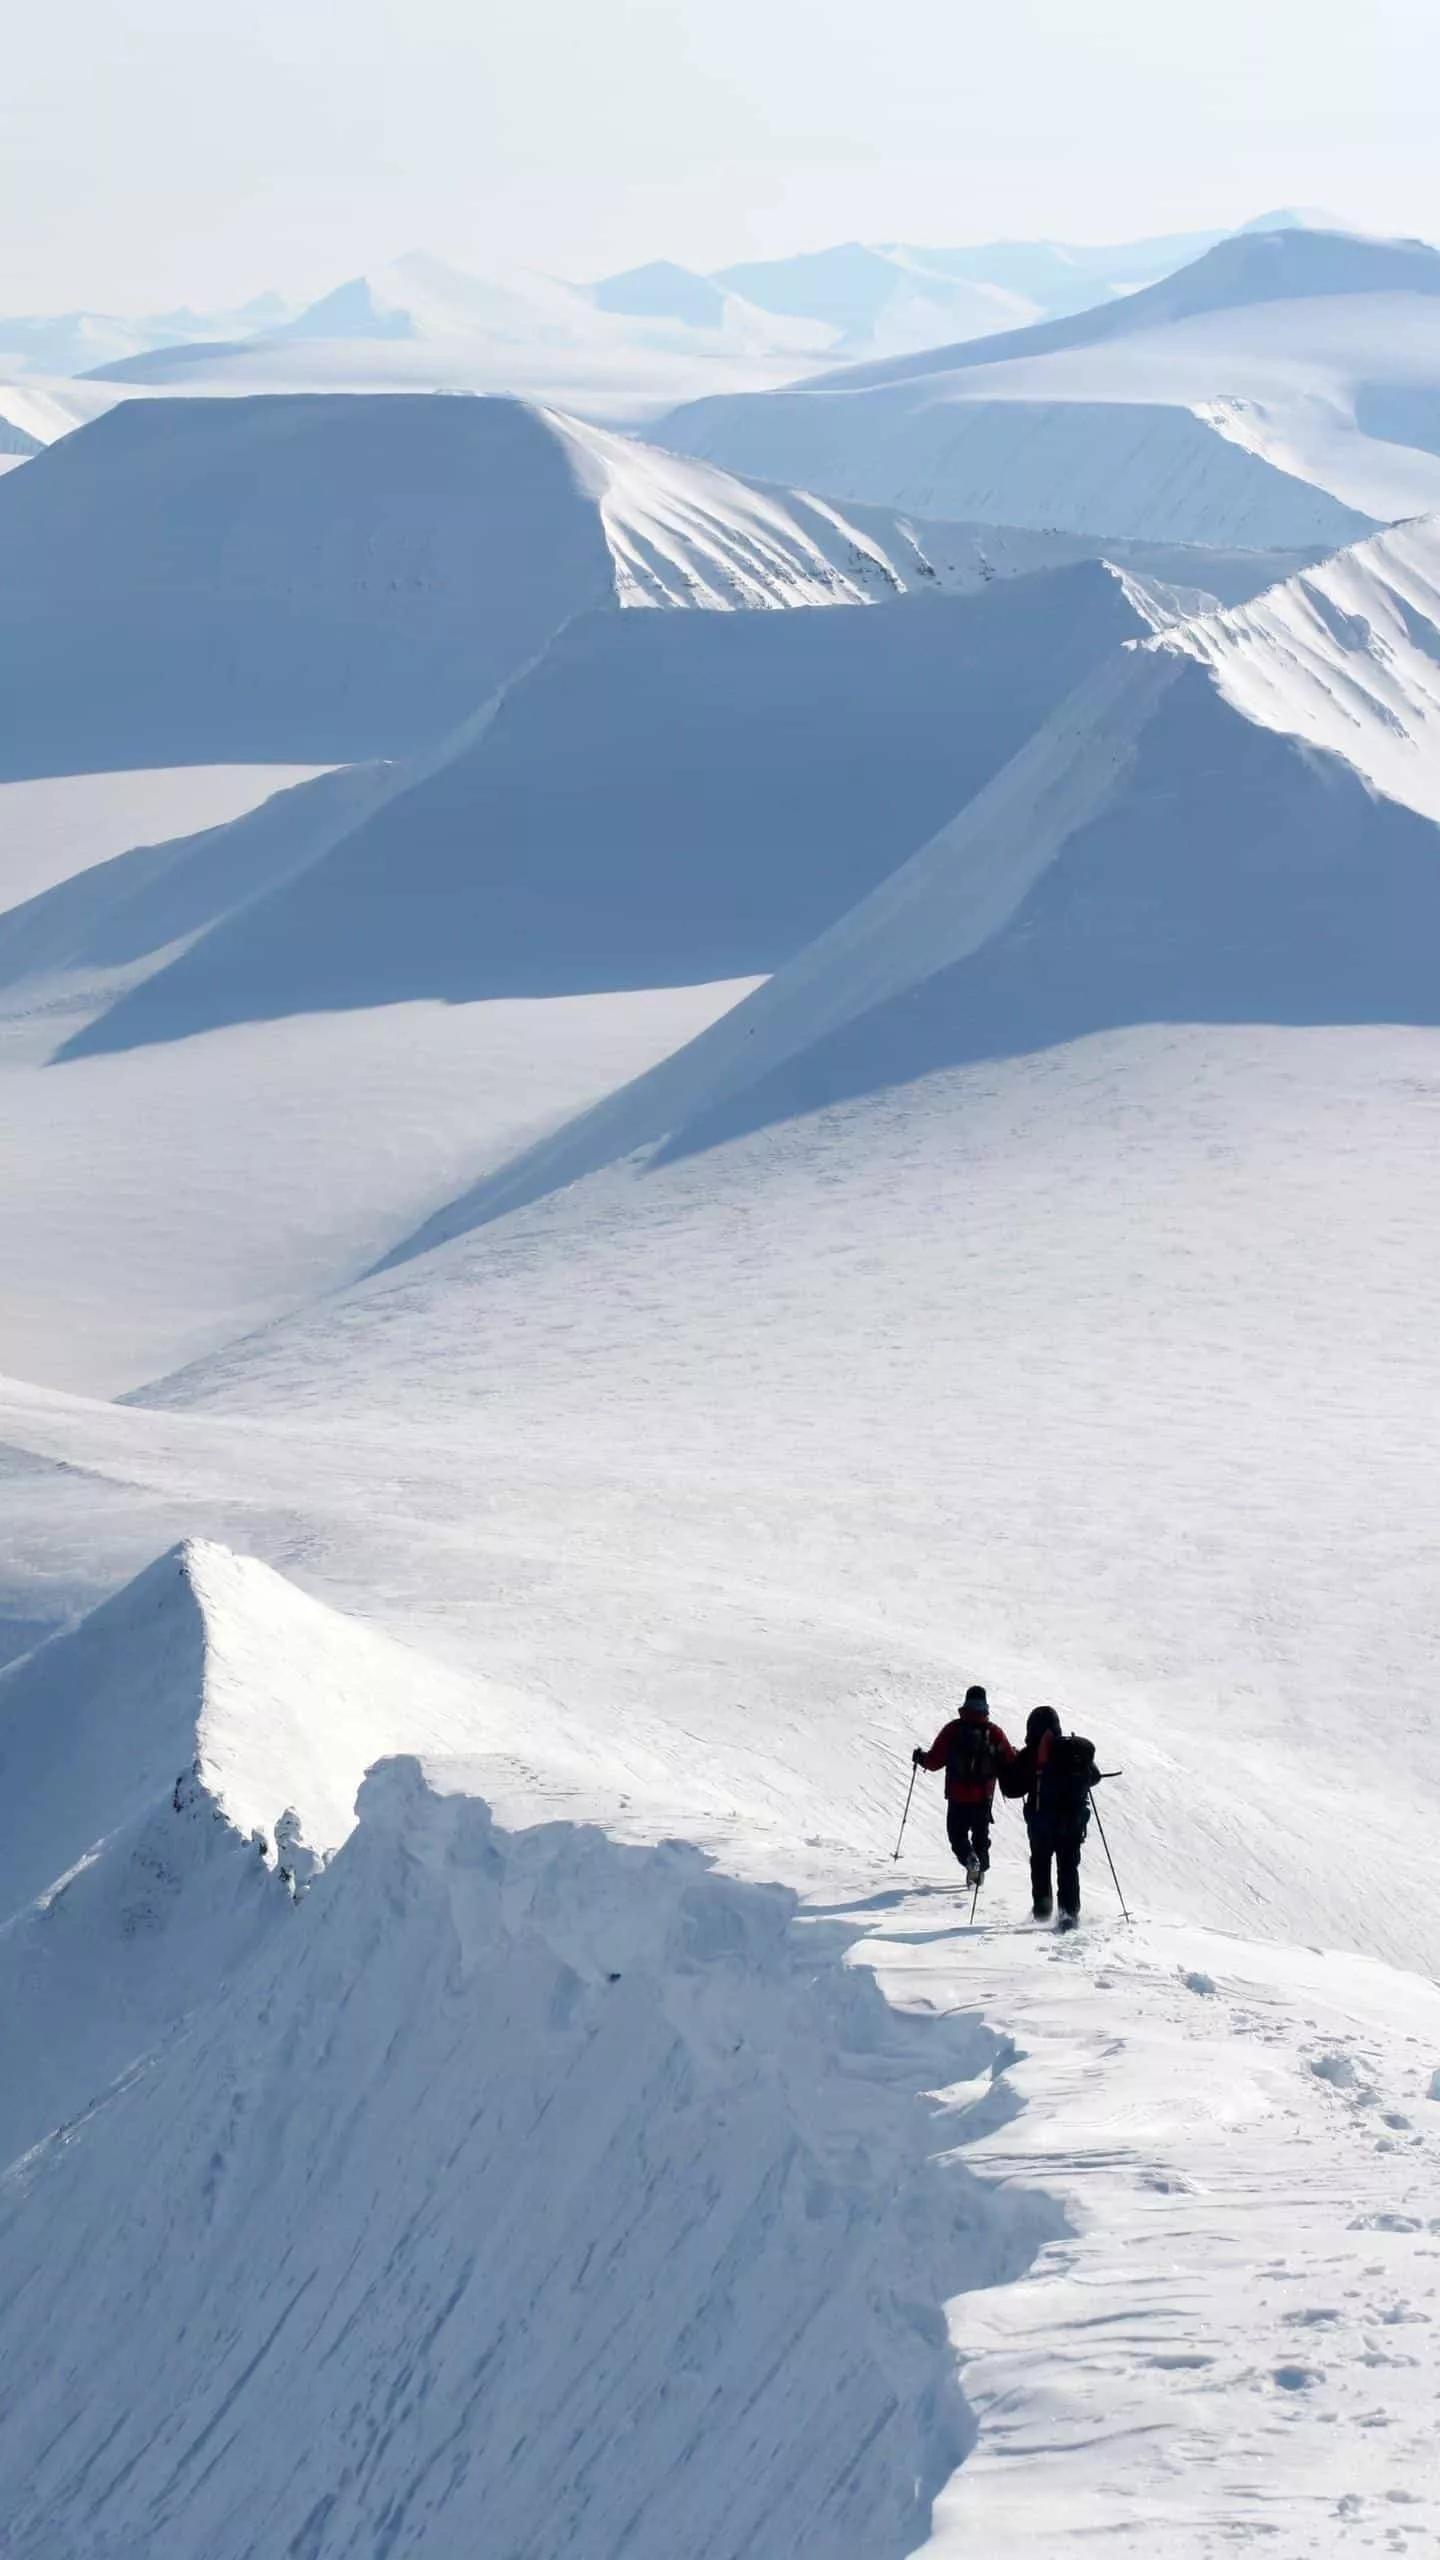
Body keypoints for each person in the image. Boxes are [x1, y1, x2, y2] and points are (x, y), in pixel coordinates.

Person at [1002, 1705, 1099, 1930]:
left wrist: (1005, 1767)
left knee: (1041, 1864)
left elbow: (1013, 1789)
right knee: (1068, 1866)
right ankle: (1069, 1914)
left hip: (1042, 1823)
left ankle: (1043, 1911)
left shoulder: (1032, 1754)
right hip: (1072, 1823)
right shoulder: (1074, 1750)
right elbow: (1093, 1777)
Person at [912, 1686, 1015, 1888]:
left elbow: (934, 1761)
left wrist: (920, 1758)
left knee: (957, 1835)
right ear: (985, 1705)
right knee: (981, 1839)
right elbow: (1009, 1760)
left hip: (958, 1796)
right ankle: (978, 1875)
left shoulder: (953, 1730)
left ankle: (969, 1859)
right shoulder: (993, 1732)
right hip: (983, 1798)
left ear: (966, 1703)